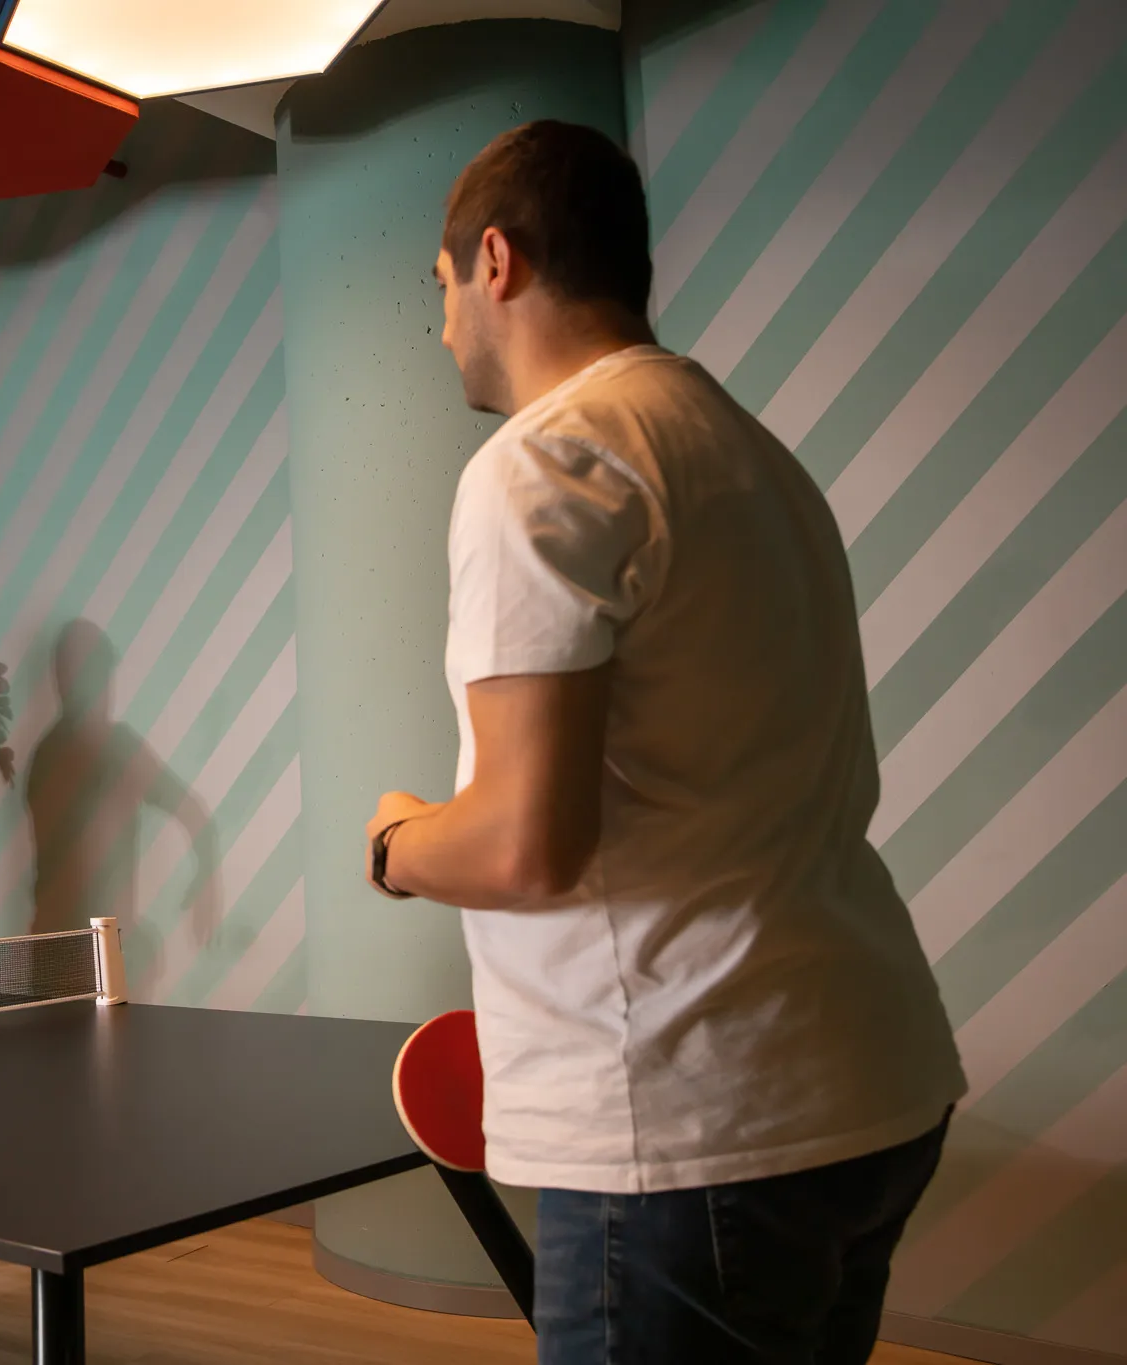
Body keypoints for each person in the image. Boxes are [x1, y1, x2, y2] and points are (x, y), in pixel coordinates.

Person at [363, 120, 966, 1365]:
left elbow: (529, 842)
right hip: (863, 1078)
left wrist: (396, 842)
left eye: (437, 292)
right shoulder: (747, 454)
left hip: (687, 1125)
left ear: (494, 260)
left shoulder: (540, 462)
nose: (440, 333)